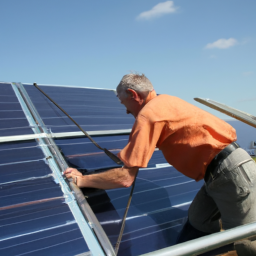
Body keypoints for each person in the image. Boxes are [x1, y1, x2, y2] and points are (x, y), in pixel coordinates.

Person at [64, 73, 256, 242]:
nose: (126, 110)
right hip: (224, 170)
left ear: (133, 94)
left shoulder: (148, 115)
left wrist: (82, 180)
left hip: (230, 174)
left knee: (245, 240)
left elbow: (125, 178)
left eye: (124, 103)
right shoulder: (167, 101)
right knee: (199, 220)